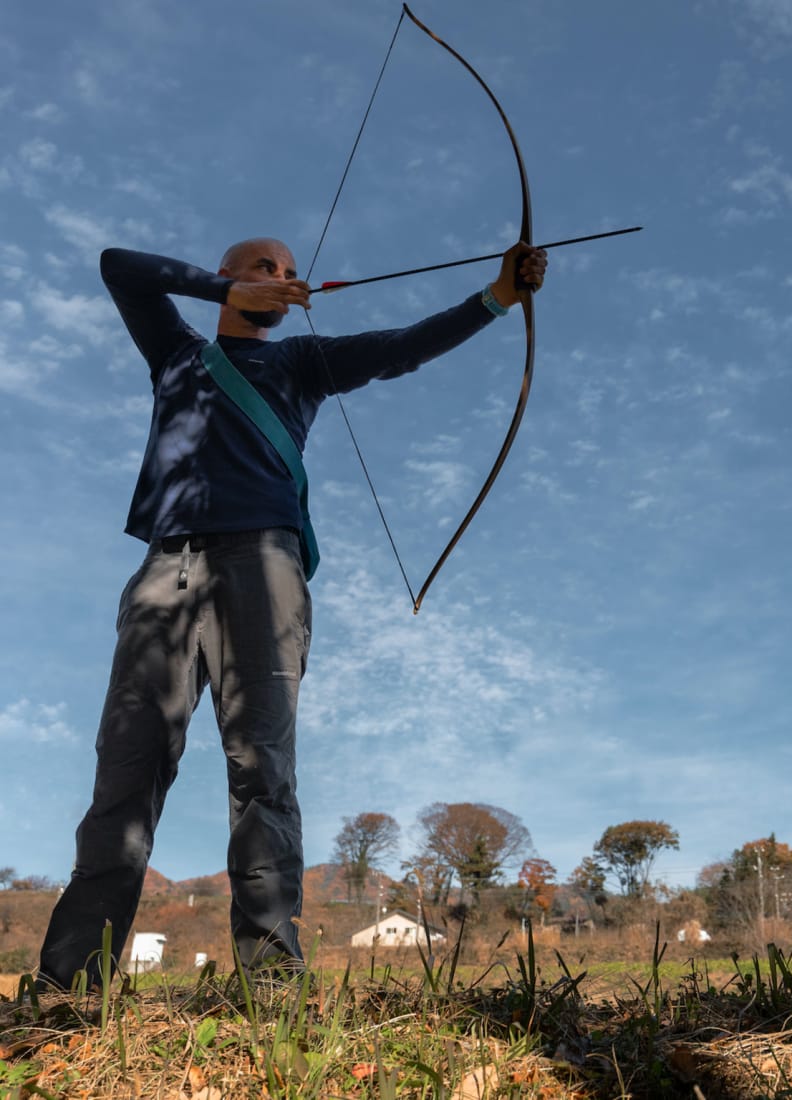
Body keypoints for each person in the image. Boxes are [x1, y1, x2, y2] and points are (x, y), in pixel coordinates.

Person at [37, 236, 547, 990]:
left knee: (263, 770)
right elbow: (119, 266)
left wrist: (496, 298)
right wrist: (224, 293)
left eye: (287, 271)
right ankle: (71, 987)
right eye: (263, 267)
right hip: (165, 569)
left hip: (265, 565)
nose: (282, 277)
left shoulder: (301, 365)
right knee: (126, 771)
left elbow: (401, 347)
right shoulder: (177, 353)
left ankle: (271, 983)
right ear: (230, 276)